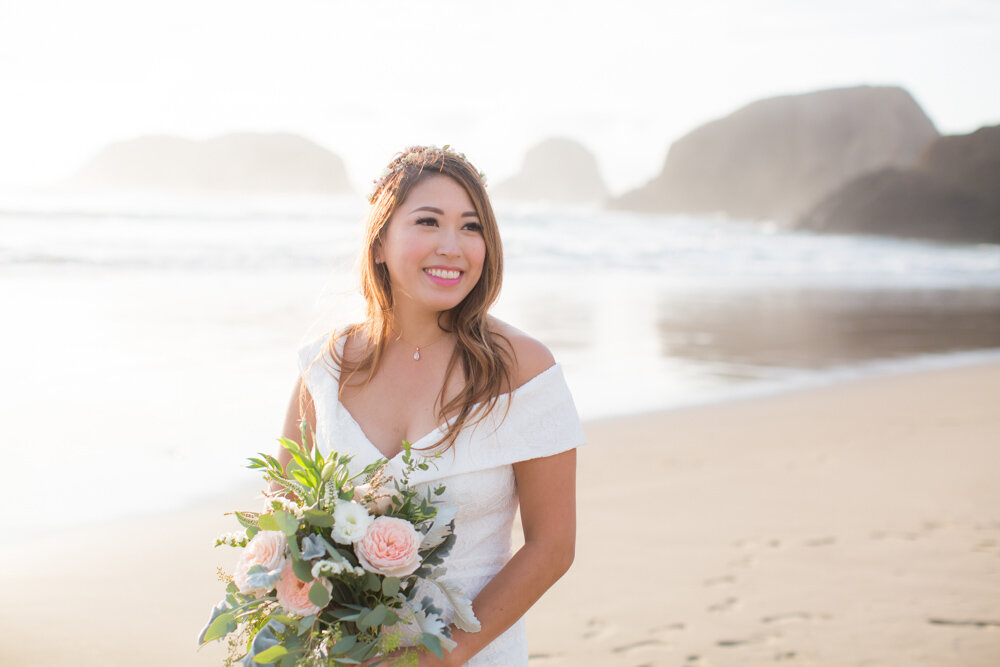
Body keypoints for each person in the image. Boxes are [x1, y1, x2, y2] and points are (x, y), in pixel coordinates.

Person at [277, 145, 585, 666]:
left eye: (471, 227)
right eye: (428, 222)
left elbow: (551, 548)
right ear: (379, 241)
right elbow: (282, 519)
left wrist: (431, 659)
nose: (453, 246)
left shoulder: (524, 371)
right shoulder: (325, 369)